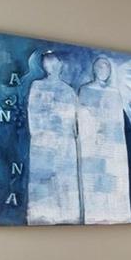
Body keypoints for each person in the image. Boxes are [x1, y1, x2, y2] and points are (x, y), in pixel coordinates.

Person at [25, 50, 82, 225]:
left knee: (65, 180)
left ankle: (68, 215)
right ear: (43, 66)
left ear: (61, 65)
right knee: (43, 181)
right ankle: (43, 216)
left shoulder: (69, 90)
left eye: (55, 62)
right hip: (43, 142)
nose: (52, 66)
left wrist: (71, 137)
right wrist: (43, 134)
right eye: (48, 63)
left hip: (65, 143)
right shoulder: (37, 86)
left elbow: (74, 121)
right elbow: (33, 115)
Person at [77, 56, 131, 224]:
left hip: (113, 145)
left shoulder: (114, 92)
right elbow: (83, 117)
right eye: (100, 67)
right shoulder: (85, 90)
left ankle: (116, 215)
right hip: (93, 146)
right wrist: (95, 133)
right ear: (94, 69)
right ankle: (96, 215)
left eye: (107, 68)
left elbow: (118, 122)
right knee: (94, 182)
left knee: (115, 183)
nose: (104, 71)